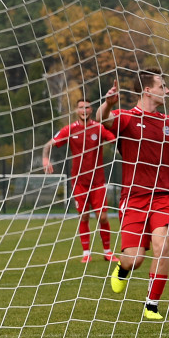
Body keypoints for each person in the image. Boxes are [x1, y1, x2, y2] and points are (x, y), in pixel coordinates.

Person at [96, 69, 169, 321]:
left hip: (164, 196)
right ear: (147, 90)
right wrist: (108, 104)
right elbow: (103, 120)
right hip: (134, 198)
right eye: (162, 86)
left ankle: (151, 304)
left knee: (162, 246)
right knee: (135, 259)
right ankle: (123, 267)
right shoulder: (126, 118)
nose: (167, 90)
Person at [41, 97, 118, 263]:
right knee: (83, 216)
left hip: (97, 181)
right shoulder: (70, 129)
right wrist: (46, 159)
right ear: (77, 110)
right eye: (81, 107)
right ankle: (86, 253)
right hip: (79, 182)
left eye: (87, 107)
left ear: (91, 110)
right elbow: (48, 145)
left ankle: (107, 251)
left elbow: (115, 140)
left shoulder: (98, 128)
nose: (84, 110)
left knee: (102, 217)